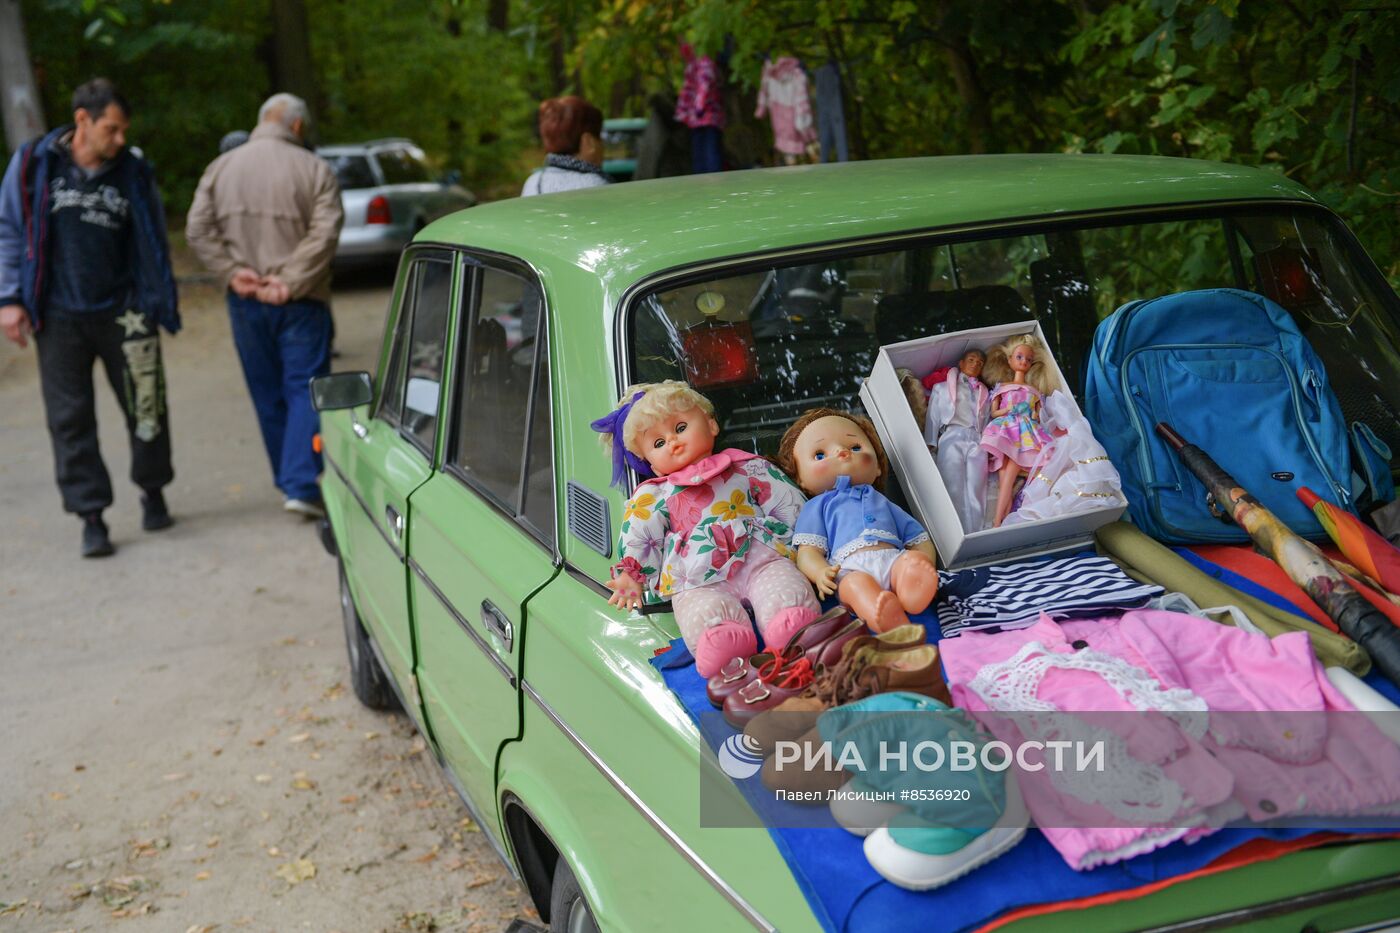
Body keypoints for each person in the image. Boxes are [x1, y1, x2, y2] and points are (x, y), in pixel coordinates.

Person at [0, 77, 178, 558]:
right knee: (69, 419)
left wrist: (156, 299)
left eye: (123, 131)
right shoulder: (35, 165)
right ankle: (91, 516)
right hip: (58, 316)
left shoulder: (133, 172)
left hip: (126, 313)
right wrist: (9, 298)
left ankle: (153, 490)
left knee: (147, 408)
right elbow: (11, 231)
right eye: (112, 129)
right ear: (83, 120)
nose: (119, 140)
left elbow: (154, 240)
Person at [185, 92, 343, 518]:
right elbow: (325, 234)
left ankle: (289, 481)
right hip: (301, 301)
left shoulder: (221, 168)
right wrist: (288, 282)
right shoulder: (315, 170)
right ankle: (300, 484)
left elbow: (198, 228)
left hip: (245, 301)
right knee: (304, 388)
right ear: (296, 126)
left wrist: (234, 273)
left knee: (267, 393)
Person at [521, 96, 610, 196]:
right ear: (589, 142)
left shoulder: (534, 182)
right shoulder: (597, 185)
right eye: (599, 137)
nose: (602, 145)